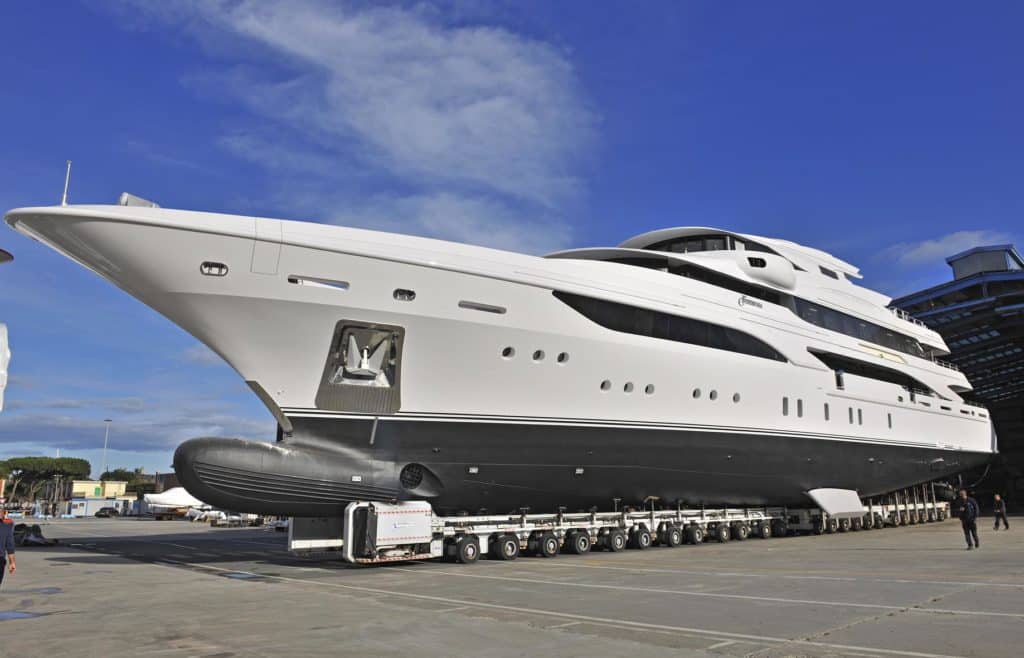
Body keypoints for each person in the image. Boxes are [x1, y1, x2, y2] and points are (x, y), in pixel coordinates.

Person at [0, 506, 16, 588]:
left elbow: (10, 547)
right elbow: (10, 547)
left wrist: (12, 562)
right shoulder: (7, 527)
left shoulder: (7, 527)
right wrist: (12, 563)